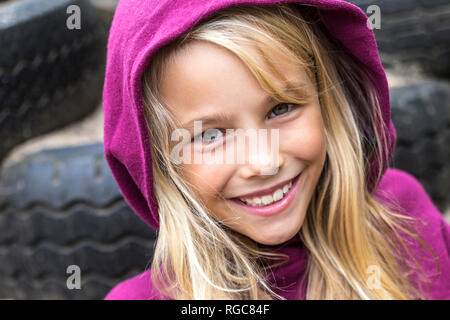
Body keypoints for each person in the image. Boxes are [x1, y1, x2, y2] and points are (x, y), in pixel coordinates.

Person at [102, 0, 450, 299]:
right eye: (210, 135)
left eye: (280, 109)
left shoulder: (406, 218)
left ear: (327, 100)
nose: (264, 162)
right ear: (159, 160)